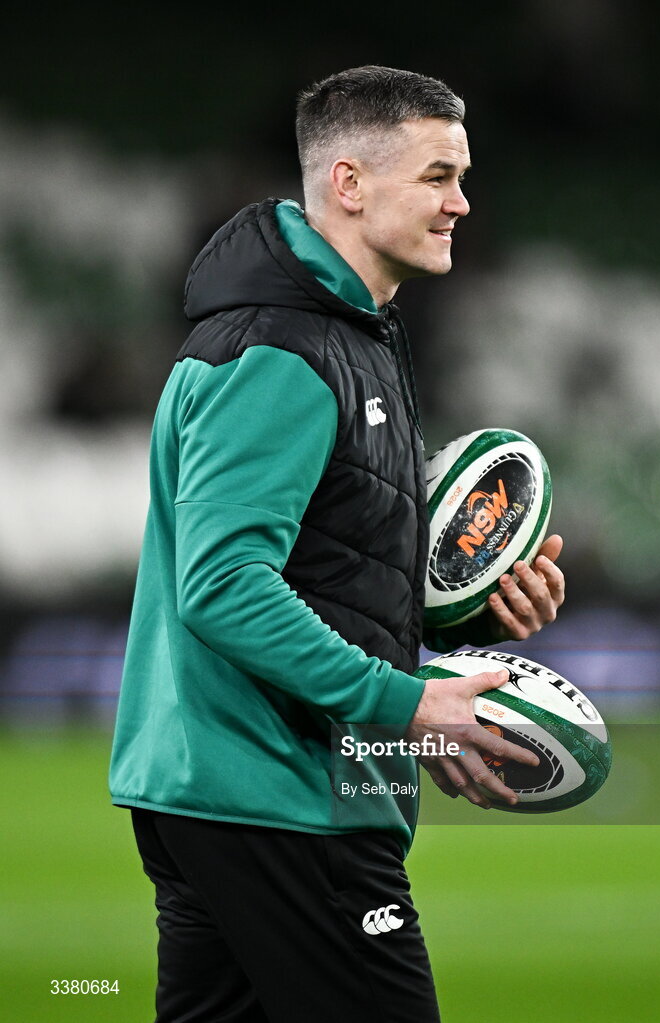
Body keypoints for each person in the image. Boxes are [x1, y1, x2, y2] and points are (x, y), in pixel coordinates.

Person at [109, 65, 565, 1023]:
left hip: (244, 783)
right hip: (279, 790)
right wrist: (402, 703)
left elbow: (323, 568)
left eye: (462, 175)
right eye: (437, 176)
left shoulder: (347, 334)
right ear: (349, 183)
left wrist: (471, 608)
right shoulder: (281, 349)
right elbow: (225, 584)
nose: (461, 202)